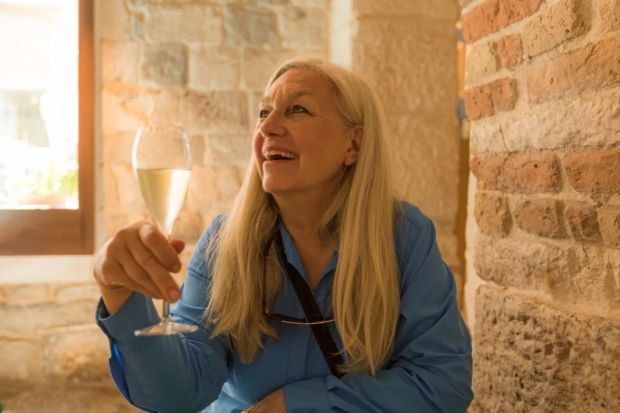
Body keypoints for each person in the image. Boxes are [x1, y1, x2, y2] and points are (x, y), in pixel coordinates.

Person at [94, 58, 473, 413]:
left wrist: (298, 404)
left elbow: (442, 385)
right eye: (264, 112)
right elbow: (178, 394)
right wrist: (119, 293)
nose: (268, 127)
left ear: (353, 144)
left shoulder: (404, 237)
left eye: (298, 109)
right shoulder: (223, 243)